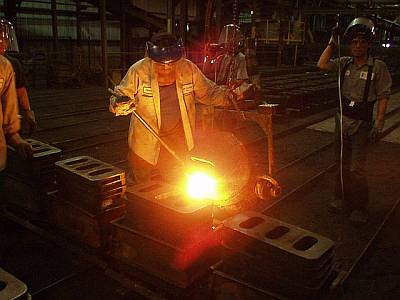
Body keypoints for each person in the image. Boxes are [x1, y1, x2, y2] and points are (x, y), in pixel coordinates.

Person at [109, 33, 238, 184]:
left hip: (177, 139)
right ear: (151, 58)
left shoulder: (188, 69)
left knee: (177, 184)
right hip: (145, 141)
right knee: (141, 186)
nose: (166, 68)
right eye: (161, 64)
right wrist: (120, 103)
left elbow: (208, 92)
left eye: (171, 64)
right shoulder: (138, 71)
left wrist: (229, 97)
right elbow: (119, 97)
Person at [317, 17, 392, 225]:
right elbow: (322, 64)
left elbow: (384, 95)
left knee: (357, 169)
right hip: (343, 119)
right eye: (354, 42)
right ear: (350, 45)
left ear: (369, 44)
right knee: (340, 163)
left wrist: (379, 122)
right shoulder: (345, 63)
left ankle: (359, 207)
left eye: (362, 42)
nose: (358, 46)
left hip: (362, 123)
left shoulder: (377, 67)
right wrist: (333, 42)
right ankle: (341, 198)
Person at [0, 19, 33, 193]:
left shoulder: (5, 67)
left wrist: (16, 139)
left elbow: (9, 107)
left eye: (3, 39)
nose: (3, 44)